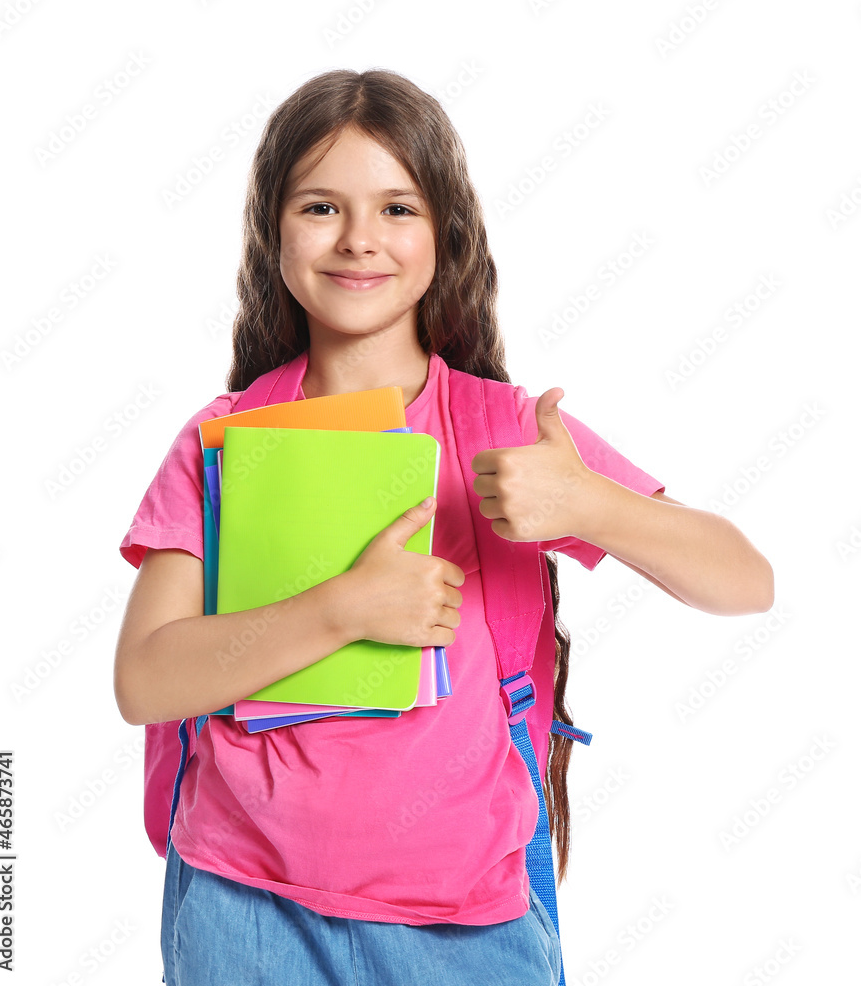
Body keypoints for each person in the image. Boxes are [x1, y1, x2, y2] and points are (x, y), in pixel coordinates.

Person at [114, 68, 774, 986]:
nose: (357, 240)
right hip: (242, 909)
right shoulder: (222, 441)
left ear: (445, 235)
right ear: (273, 233)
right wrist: (343, 609)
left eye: (397, 208)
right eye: (319, 207)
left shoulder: (507, 431)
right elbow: (146, 679)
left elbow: (748, 582)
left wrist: (591, 505)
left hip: (469, 925)